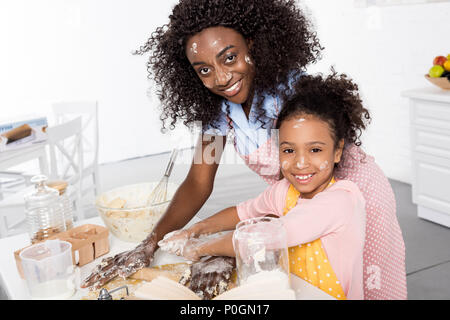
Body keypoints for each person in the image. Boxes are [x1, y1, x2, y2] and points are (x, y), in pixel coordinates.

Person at [81, 0, 406, 300]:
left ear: (252, 44)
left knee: (364, 282)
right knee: (312, 280)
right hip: (298, 199)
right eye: (204, 69)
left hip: (352, 195)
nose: (222, 78)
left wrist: (219, 245)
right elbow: (198, 182)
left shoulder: (292, 94)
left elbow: (307, 179)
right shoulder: (220, 115)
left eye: (229, 57)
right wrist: (151, 242)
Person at [158, 72, 368, 300]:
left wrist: (198, 248)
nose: (300, 163)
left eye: (315, 150)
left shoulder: (339, 202)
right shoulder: (285, 191)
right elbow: (241, 213)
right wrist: (194, 230)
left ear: (337, 151)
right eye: (288, 150)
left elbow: (261, 239)